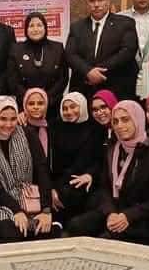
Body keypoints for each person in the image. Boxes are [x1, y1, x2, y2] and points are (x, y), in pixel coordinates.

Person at [66, 100, 149, 246]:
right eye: (115, 121)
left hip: (141, 218)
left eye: (125, 120)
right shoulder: (113, 148)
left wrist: (128, 216)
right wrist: (111, 213)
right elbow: (104, 187)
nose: (119, 126)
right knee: (75, 226)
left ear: (137, 119)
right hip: (114, 210)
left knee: (105, 241)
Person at [0, 97, 59, 243]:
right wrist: (16, 211)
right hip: (2, 204)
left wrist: (46, 210)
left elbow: (42, 170)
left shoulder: (27, 134)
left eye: (13, 119)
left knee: (48, 233)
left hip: (31, 198)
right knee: (10, 234)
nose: (8, 124)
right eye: (3, 119)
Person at [66, 0, 139, 100]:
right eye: (92, 1)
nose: (96, 4)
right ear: (87, 3)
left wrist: (97, 72)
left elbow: (127, 51)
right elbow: (70, 54)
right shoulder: (77, 27)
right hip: (85, 89)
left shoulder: (125, 23)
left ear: (108, 2)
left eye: (100, 0)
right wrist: (88, 71)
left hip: (116, 88)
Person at [49, 92, 103, 223]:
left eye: (73, 107)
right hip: (59, 181)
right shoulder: (56, 128)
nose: (68, 112)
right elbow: (52, 162)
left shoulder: (95, 128)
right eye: (65, 108)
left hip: (83, 180)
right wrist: (52, 188)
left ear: (82, 106)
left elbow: (97, 160)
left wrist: (90, 175)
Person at [6, 12, 69, 111]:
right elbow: (12, 80)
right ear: (26, 29)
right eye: (31, 26)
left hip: (52, 105)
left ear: (45, 28)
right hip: (25, 106)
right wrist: (29, 99)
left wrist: (45, 99)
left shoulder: (58, 48)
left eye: (39, 25)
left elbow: (63, 78)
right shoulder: (16, 49)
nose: (35, 29)